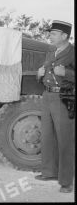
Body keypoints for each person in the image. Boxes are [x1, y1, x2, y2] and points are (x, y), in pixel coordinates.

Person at [35, 20, 75, 193]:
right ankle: (49, 171)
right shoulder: (51, 50)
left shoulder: (73, 52)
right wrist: (39, 74)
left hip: (64, 97)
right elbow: (46, 71)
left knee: (65, 139)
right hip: (48, 95)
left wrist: (66, 73)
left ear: (64, 36)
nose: (50, 36)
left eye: (53, 34)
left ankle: (66, 182)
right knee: (48, 136)